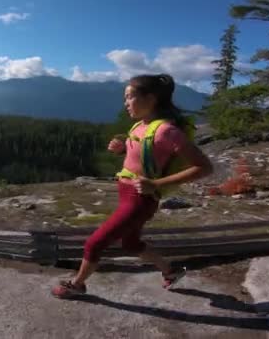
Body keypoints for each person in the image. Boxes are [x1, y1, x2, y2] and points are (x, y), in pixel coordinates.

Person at [52, 73, 214, 299]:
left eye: (130, 97)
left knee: (95, 243)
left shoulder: (166, 131)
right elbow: (145, 156)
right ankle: (171, 271)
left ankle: (77, 284)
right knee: (131, 243)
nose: (125, 103)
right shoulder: (140, 126)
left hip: (140, 200)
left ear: (151, 99)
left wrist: (156, 184)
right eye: (125, 98)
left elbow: (205, 167)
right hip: (128, 194)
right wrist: (123, 149)